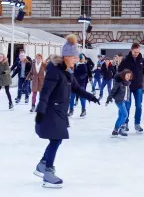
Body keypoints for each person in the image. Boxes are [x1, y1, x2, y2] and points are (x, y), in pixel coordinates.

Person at [33, 37, 100, 188]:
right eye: (74, 57)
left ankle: (43, 165)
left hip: (60, 111)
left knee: (56, 140)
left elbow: (76, 88)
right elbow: (45, 92)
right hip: (51, 110)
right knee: (56, 139)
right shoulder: (55, 71)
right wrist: (40, 111)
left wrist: (91, 97)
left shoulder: (67, 71)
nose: (77, 59)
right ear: (66, 57)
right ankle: (47, 172)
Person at [117, 43, 144, 133]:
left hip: (138, 86)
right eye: (135, 52)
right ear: (131, 50)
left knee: (138, 106)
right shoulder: (125, 60)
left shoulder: (142, 60)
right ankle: (125, 123)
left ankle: (137, 123)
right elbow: (119, 71)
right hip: (128, 87)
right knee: (127, 106)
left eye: (138, 52)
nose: (136, 53)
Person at [106, 69, 133, 137]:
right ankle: (119, 129)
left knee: (121, 116)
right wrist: (108, 99)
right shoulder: (119, 83)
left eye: (129, 76)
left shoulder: (128, 83)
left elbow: (127, 93)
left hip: (124, 101)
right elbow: (113, 91)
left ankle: (116, 130)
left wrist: (128, 99)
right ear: (124, 75)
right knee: (125, 115)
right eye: (127, 75)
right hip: (119, 101)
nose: (128, 77)